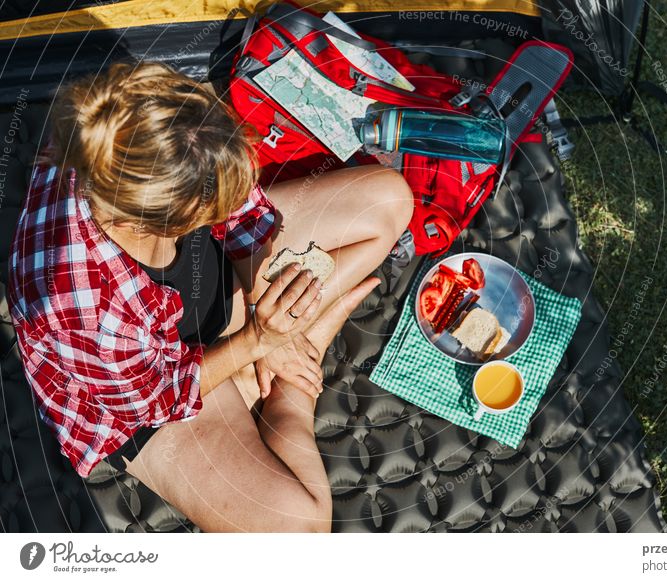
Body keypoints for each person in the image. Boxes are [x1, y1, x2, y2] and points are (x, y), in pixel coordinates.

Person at [6, 61, 413, 532]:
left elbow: (244, 214)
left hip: (218, 297)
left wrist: (266, 305)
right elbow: (155, 398)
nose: (231, 206)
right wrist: (258, 343)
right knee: (301, 529)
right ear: (145, 223)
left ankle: (262, 366)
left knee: (388, 202)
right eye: (209, 211)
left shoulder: (147, 128)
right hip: (151, 379)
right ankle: (294, 385)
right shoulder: (77, 305)